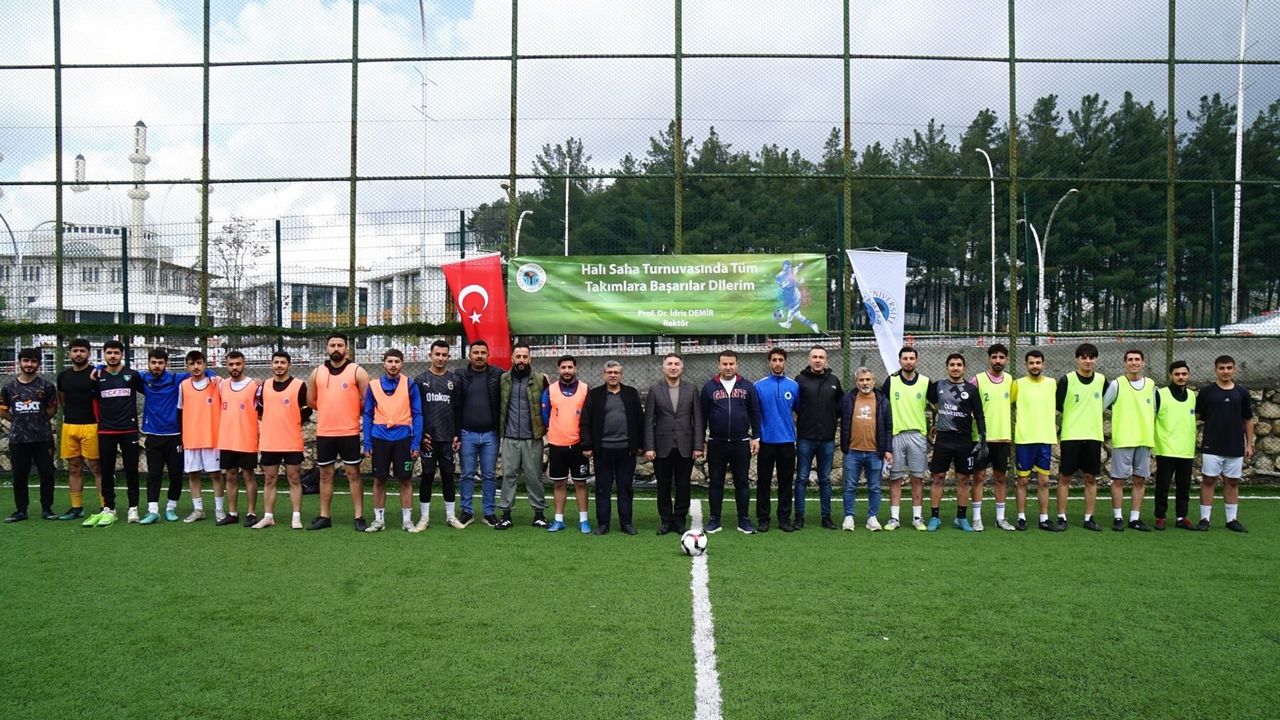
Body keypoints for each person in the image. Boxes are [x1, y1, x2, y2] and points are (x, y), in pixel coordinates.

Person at [306, 333, 371, 531]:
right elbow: (311, 401)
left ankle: (359, 516)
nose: (336, 348)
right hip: (325, 432)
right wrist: (329, 409)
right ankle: (324, 516)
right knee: (325, 475)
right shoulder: (317, 372)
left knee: (353, 473)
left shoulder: (357, 371)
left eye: (340, 345)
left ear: (346, 349)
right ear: (327, 348)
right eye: (332, 345)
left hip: (349, 431)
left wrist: (350, 410)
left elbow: (367, 401)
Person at [83, 340, 145, 527]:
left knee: (131, 470)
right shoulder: (97, 376)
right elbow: (94, 401)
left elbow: (150, 391)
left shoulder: (132, 375)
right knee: (107, 470)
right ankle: (109, 508)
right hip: (106, 430)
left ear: (122, 354)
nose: (112, 356)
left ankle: (133, 507)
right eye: (109, 353)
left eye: (116, 353)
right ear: (104, 354)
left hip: (129, 429)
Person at [701, 349, 762, 534]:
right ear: (718, 365)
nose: (728, 367)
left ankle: (743, 520)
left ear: (737, 365)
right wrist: (701, 440)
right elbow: (702, 416)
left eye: (731, 364)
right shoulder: (709, 387)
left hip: (741, 441)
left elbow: (755, 413)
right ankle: (714, 520)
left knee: (742, 482)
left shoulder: (747, 386)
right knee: (715, 482)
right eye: (724, 364)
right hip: (716, 442)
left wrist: (756, 437)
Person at [362, 349, 422, 533]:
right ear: (384, 363)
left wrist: (416, 442)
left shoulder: (410, 384)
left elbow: (418, 414)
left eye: (397, 361)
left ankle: (407, 521)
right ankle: (379, 520)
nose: (393, 365)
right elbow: (367, 415)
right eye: (390, 361)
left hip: (403, 439)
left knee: (405, 480)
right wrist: (367, 442)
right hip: (379, 439)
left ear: (402, 363)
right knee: (379, 479)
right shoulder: (373, 386)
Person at [924, 353, 986, 532]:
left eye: (959, 365)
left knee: (964, 479)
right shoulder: (938, 386)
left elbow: (979, 415)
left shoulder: (971, 390)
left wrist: (983, 438)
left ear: (964, 368)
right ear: (947, 367)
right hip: (943, 439)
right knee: (938, 477)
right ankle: (935, 517)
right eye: (952, 365)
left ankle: (961, 518)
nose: (955, 368)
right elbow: (925, 400)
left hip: (963, 440)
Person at [581, 360, 644, 535]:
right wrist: (587, 445)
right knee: (603, 488)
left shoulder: (631, 393)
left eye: (616, 372)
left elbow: (640, 419)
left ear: (621, 375)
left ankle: (626, 523)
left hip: (626, 450)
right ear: (604, 375)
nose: (613, 375)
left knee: (625, 487)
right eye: (609, 372)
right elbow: (585, 421)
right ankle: (603, 524)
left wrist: (640, 444)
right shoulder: (595, 395)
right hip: (603, 450)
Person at [644, 353, 704, 535]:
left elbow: (698, 419)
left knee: (683, 486)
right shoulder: (655, 389)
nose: (673, 367)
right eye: (669, 364)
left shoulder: (691, 389)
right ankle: (666, 521)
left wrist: (698, 446)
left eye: (676, 364)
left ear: (682, 368)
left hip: (685, 446)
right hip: (662, 447)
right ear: (663, 368)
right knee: (663, 486)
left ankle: (679, 521)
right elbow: (649, 420)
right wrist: (649, 446)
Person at [1195, 355, 1254, 533]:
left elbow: (1248, 419)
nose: (1225, 371)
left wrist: (1249, 444)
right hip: (1212, 445)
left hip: (1235, 446)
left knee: (1232, 482)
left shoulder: (1242, 393)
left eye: (1229, 368)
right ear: (1216, 370)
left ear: (1234, 369)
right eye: (1222, 368)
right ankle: (1205, 519)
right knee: (1208, 480)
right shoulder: (1206, 392)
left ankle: (1231, 520)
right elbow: (1196, 417)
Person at [254, 351, 311, 529]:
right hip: (270, 441)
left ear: (289, 365)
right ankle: (268, 516)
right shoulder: (264, 386)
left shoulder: (299, 385)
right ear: (271, 364)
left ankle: (296, 517)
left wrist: (291, 422)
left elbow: (307, 410)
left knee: (294, 478)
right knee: (269, 479)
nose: (279, 365)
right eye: (276, 362)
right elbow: (259, 411)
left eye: (283, 362)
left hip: (291, 440)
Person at [2, 348, 58, 522]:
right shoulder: (8, 388)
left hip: (43, 438)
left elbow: (52, 410)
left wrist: (38, 420)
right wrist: (18, 421)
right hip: (18, 439)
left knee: (47, 474)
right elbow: (3, 410)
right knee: (19, 476)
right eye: (26, 360)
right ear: (19, 362)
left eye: (34, 361)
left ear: (39, 364)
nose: (29, 364)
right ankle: (21, 510)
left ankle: (47, 509)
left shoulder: (47, 386)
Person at [1102, 349, 1156, 532]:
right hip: (1124, 439)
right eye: (1130, 360)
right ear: (1125, 363)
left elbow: (1155, 409)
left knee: (1140, 480)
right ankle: (1118, 517)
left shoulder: (1151, 384)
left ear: (1143, 362)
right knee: (1119, 480)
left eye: (1137, 359)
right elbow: (1102, 406)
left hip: (1144, 439)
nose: (1134, 362)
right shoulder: (1116, 384)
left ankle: (1135, 518)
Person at [497, 343, 549, 530]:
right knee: (508, 476)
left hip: (532, 438)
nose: (521, 360)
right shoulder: (503, 379)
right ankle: (506, 515)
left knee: (534, 476)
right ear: (512, 358)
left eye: (524, 357)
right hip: (510, 437)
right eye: (518, 356)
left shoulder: (541, 379)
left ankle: (539, 515)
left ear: (530, 358)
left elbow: (549, 403)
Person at [1056, 343, 1106, 531]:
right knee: (1065, 477)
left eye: (1091, 357)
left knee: (1090, 478)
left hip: (1093, 436)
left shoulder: (1102, 380)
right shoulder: (1067, 380)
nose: (1087, 361)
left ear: (1095, 360)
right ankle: (1061, 517)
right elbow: (1059, 405)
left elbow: (1109, 402)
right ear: (1077, 359)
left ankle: (1089, 518)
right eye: (1084, 357)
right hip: (1071, 436)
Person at [414, 339, 463, 531]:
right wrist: (420, 435)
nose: (441, 358)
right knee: (426, 476)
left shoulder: (454, 381)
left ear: (448, 357)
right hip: (428, 439)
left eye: (444, 355)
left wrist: (457, 434)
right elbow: (416, 411)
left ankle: (451, 516)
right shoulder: (420, 380)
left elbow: (458, 410)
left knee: (448, 476)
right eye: (437, 354)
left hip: (447, 438)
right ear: (430, 355)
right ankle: (424, 518)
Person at [793, 345, 843, 530]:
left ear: (826, 360)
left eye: (821, 357)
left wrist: (829, 420)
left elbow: (840, 406)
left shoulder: (834, 381)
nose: (817, 360)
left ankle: (826, 517)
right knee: (801, 478)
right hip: (805, 438)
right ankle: (799, 517)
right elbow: (796, 405)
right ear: (809, 359)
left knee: (825, 479)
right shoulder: (800, 380)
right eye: (814, 357)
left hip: (827, 439)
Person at [454, 339, 503, 529]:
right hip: (467, 434)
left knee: (489, 475)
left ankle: (489, 513)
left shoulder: (498, 374)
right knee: (467, 474)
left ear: (488, 355)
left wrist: (542, 378)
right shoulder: (459, 375)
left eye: (483, 353)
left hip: (491, 434)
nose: (479, 356)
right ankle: (466, 511)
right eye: (476, 353)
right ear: (469, 355)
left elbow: (515, 379)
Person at [541, 355, 592, 533]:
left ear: (575, 369)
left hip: (578, 444)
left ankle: (584, 520)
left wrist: (587, 442)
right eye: (563, 367)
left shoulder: (585, 389)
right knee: (559, 484)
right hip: (557, 445)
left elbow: (590, 416)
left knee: (580, 483)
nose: (567, 371)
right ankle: (558, 520)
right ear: (558, 369)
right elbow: (545, 416)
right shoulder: (550, 390)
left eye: (570, 367)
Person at [54, 338, 103, 520]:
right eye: (75, 350)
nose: (78, 354)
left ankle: (105, 506)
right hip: (70, 426)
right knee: (74, 468)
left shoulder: (96, 374)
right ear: (70, 353)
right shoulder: (63, 376)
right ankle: (76, 507)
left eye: (82, 350)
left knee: (97, 468)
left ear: (89, 353)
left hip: (92, 426)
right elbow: (63, 400)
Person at [838, 367, 891, 532]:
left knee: (874, 487)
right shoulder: (847, 399)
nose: (865, 383)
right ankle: (849, 517)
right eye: (861, 380)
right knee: (849, 486)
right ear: (856, 382)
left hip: (875, 452)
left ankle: (872, 518)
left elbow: (889, 427)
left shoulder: (883, 401)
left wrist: (888, 449)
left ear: (874, 381)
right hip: (853, 451)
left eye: (868, 379)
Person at [882, 346, 929, 531]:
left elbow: (939, 404)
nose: (908, 361)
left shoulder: (925, 382)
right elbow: (883, 408)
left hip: (917, 435)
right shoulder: (891, 381)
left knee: (917, 478)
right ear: (900, 361)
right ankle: (894, 518)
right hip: (896, 435)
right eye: (905, 358)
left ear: (916, 361)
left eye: (911, 358)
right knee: (895, 478)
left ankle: (917, 517)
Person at [969, 343, 1013, 532]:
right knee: (979, 477)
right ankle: (976, 518)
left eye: (1001, 357)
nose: (998, 361)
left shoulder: (1010, 381)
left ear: (1006, 360)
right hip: (981, 438)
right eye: (994, 357)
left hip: (1002, 438)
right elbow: (968, 404)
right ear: (989, 359)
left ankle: (1000, 518)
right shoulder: (977, 380)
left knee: (1001, 478)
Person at [1011, 349, 1057, 532]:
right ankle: (1021, 517)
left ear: (1043, 364)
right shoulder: (1018, 384)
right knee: (1022, 481)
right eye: (1031, 363)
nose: (1035, 366)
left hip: (1045, 439)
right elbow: (1006, 404)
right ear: (1026, 365)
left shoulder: (1052, 383)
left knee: (1044, 481)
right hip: (1024, 440)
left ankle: (1044, 518)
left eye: (1038, 363)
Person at [754, 347, 798, 532]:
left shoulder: (794, 386)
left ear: (785, 362)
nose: (777, 363)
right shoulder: (759, 386)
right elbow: (754, 414)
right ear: (769, 362)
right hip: (766, 442)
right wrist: (755, 436)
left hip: (787, 442)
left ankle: (784, 518)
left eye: (781, 360)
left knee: (786, 482)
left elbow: (799, 410)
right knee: (763, 482)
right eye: (774, 360)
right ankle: (763, 519)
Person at [177, 350, 222, 522]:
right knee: (193, 474)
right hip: (191, 438)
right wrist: (182, 436)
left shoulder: (216, 383)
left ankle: (219, 510)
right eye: (191, 363)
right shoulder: (183, 386)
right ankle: (198, 510)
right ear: (187, 366)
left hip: (212, 438)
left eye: (199, 363)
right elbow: (180, 412)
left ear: (205, 364)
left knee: (215, 475)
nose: (196, 367)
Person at [217, 350, 260, 527]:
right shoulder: (222, 385)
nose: (234, 367)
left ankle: (251, 513)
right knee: (230, 476)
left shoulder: (254, 385)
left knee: (248, 475)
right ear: (226, 366)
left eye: (238, 364)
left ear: (244, 364)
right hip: (227, 439)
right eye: (231, 364)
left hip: (247, 438)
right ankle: (232, 513)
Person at [1153, 360, 1197, 531]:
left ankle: (1181, 517)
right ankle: (1160, 516)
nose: (1181, 377)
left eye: (1184, 374)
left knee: (1184, 487)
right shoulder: (1160, 394)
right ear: (1170, 375)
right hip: (1166, 448)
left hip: (1186, 449)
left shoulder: (1192, 396)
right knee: (1162, 486)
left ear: (1188, 375)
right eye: (1177, 374)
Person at [773, 259, 820, 332]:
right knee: (795, 313)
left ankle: (811, 324)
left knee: (794, 311)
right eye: (786, 267)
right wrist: (794, 282)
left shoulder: (792, 270)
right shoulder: (779, 276)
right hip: (787, 294)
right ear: (783, 266)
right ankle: (791, 323)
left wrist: (802, 263)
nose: (788, 269)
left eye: (789, 267)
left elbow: (799, 266)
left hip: (794, 293)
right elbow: (782, 286)